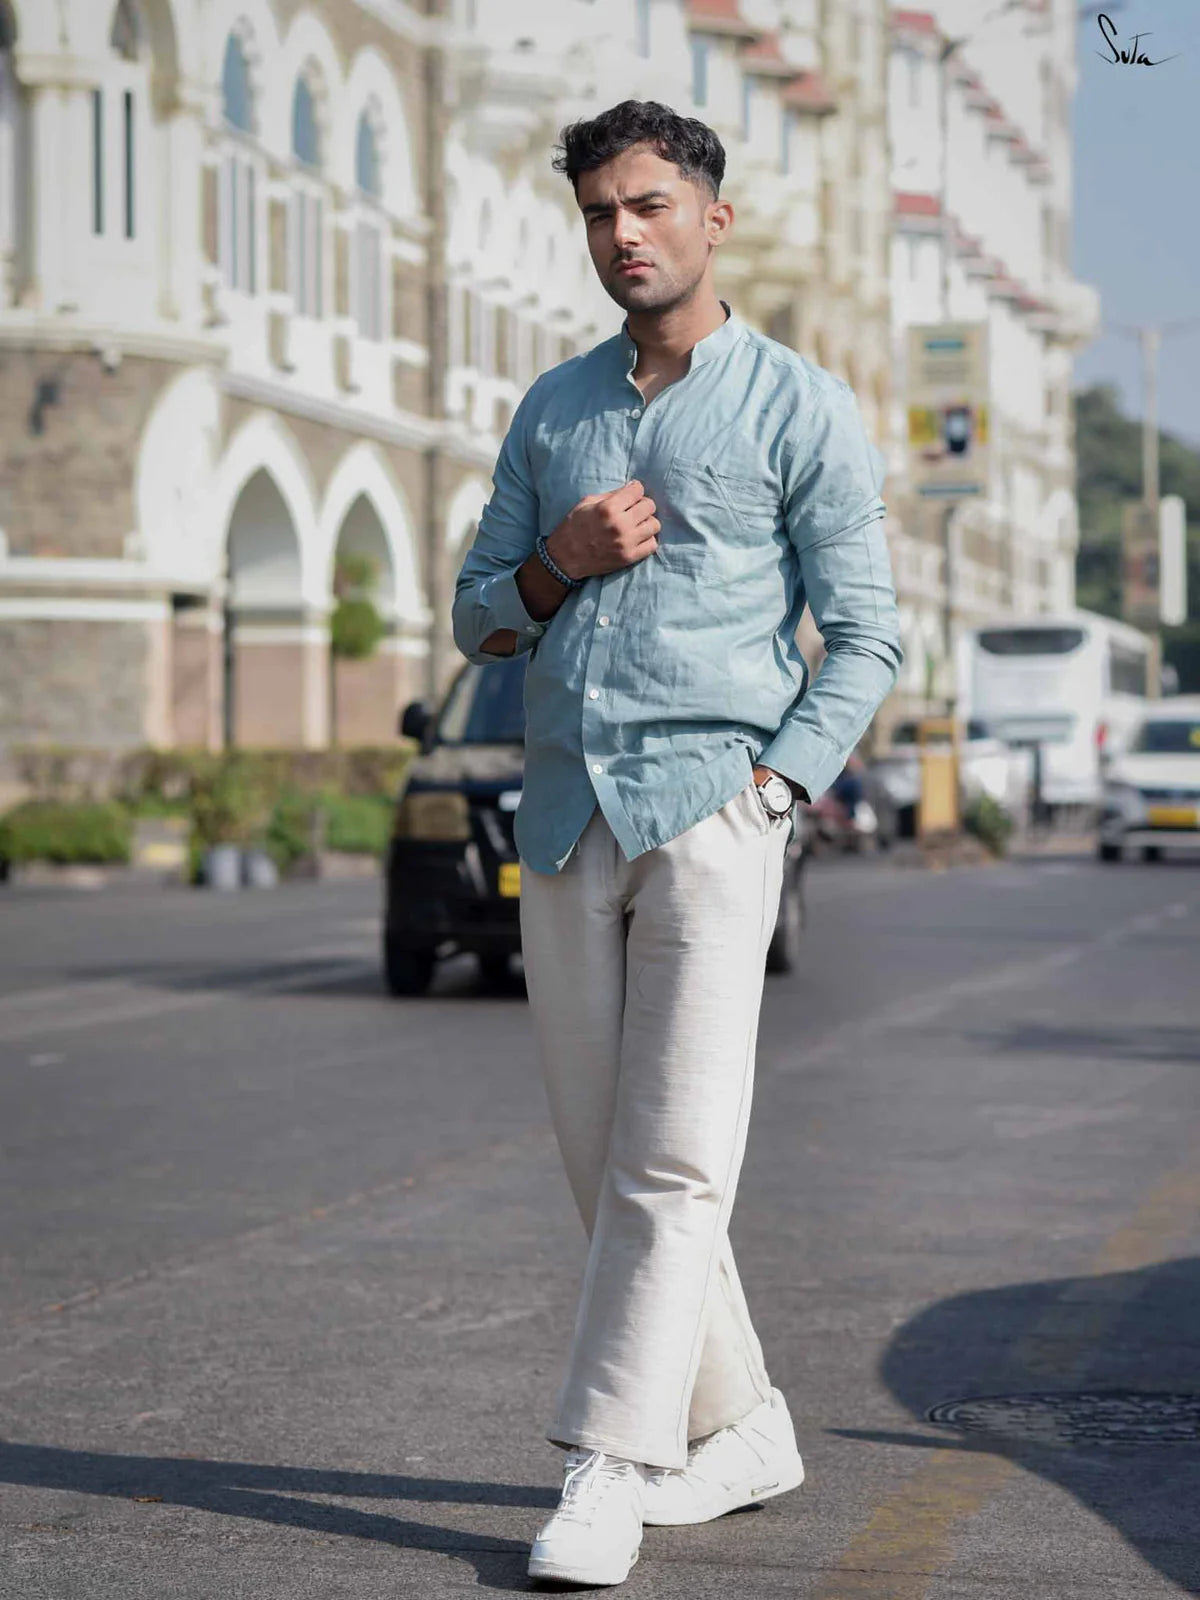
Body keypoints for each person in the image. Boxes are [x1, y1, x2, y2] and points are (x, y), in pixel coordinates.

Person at [451, 100, 902, 1588]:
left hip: (714, 811)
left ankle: (608, 1464)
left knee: (673, 1161)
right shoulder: (553, 410)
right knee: (605, 1158)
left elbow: (869, 637)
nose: (621, 233)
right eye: (597, 211)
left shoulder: (797, 405)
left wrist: (775, 792)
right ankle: (746, 1424)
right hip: (569, 816)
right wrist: (557, 561)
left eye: (647, 204)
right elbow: (479, 616)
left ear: (714, 218)